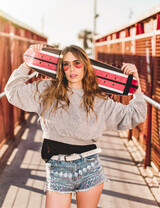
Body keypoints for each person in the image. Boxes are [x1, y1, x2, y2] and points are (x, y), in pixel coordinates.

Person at [5, 44, 147, 208]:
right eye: (66, 64)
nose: (72, 68)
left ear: (86, 67)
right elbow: (13, 92)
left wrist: (136, 85)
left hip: (89, 167)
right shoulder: (47, 90)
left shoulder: (99, 99)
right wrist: (29, 63)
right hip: (58, 166)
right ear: (61, 68)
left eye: (77, 63)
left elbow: (135, 114)